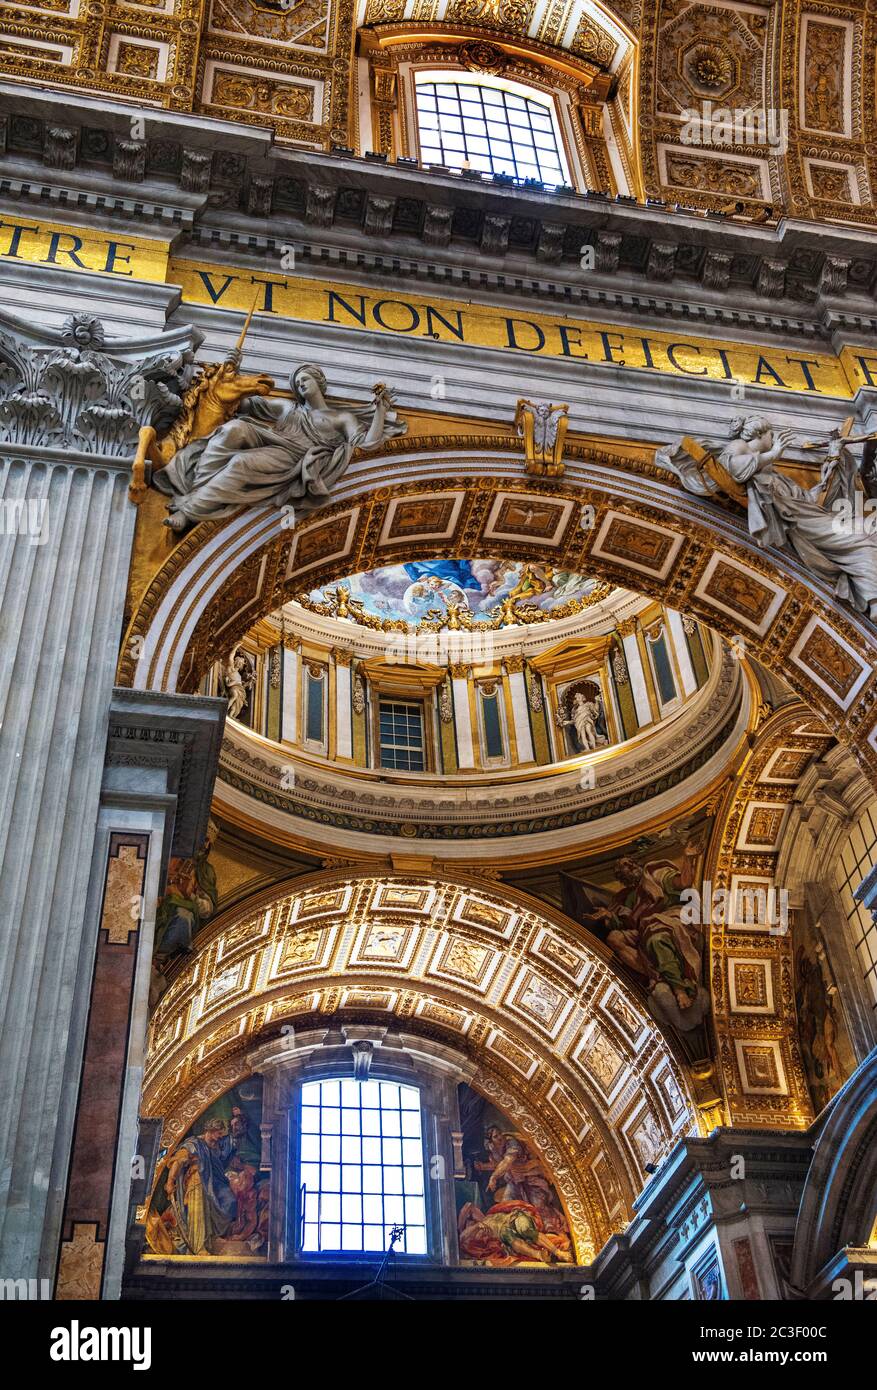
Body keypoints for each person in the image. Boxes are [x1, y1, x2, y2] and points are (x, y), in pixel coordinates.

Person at [154, 361, 406, 529]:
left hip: (295, 456)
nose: (300, 385)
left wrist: (380, 412)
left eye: (305, 380)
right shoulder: (288, 407)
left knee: (241, 462)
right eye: (297, 383)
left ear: (320, 383)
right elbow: (243, 404)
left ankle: (189, 511)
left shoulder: (341, 418)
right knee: (235, 428)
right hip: (274, 441)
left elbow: (369, 444)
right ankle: (195, 491)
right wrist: (227, 374)